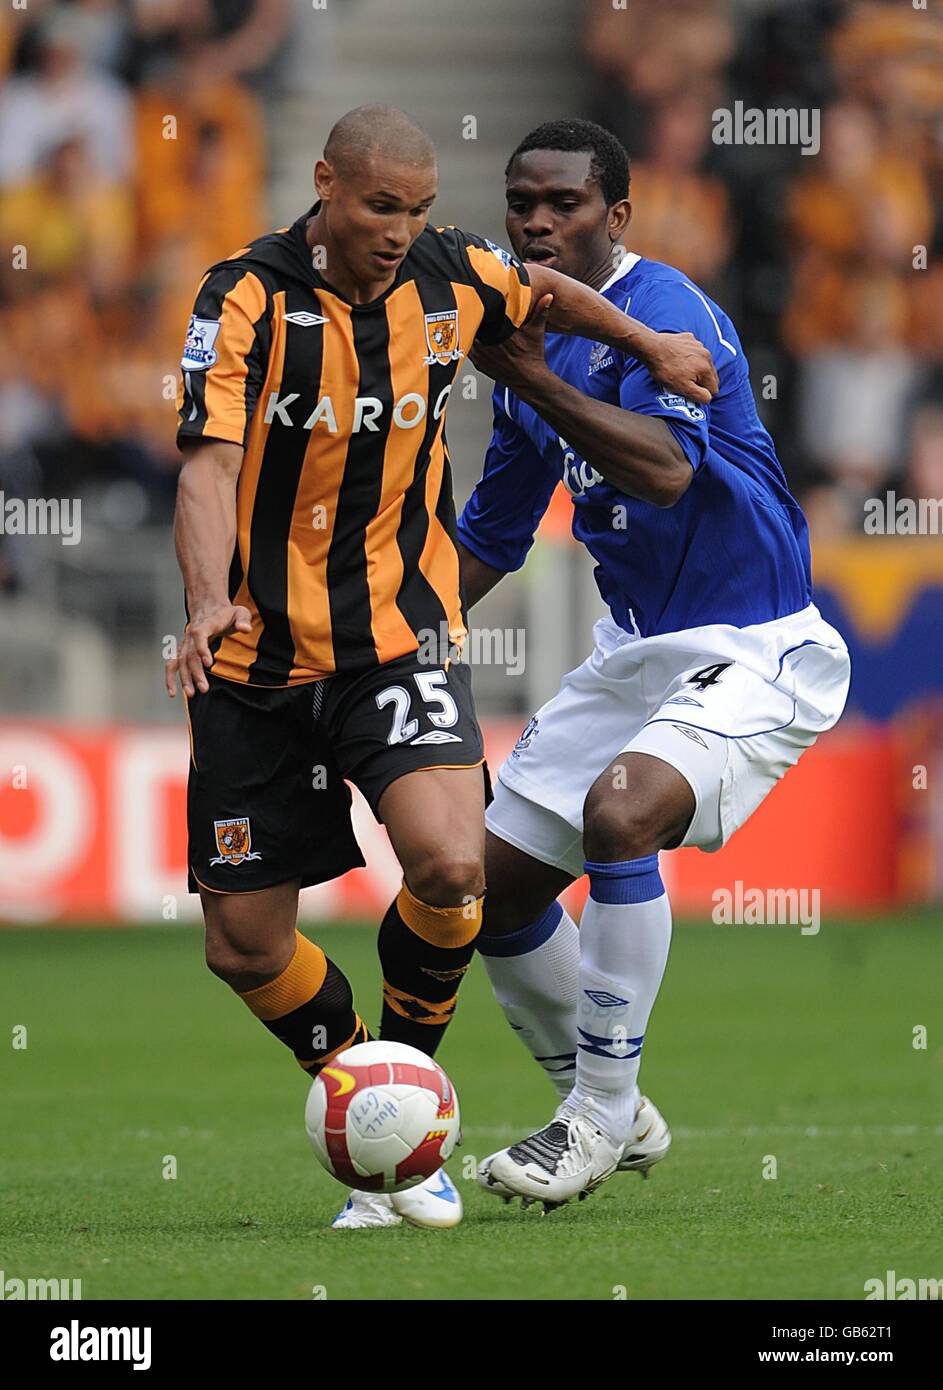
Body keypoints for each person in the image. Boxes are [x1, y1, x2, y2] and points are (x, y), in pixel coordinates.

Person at [164, 105, 718, 1231]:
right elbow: (208, 467)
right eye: (378, 207)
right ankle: (375, 1084)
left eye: (416, 209)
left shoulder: (449, 274)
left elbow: (546, 294)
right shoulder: (243, 299)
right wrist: (207, 599)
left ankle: (410, 1136)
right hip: (255, 660)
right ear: (324, 185)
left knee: (454, 866)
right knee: (245, 943)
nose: (397, 231)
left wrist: (649, 346)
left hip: (397, 641)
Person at [456, 119, 851, 1209]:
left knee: (620, 813)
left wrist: (531, 377)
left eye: (564, 204)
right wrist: (385, 637)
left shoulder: (663, 311)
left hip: (755, 642)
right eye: (521, 201)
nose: (536, 221)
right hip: (637, 652)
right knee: (483, 893)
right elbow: (490, 536)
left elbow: (667, 470)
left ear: (616, 214)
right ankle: (612, 1104)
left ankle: (587, 1120)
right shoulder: (523, 351)